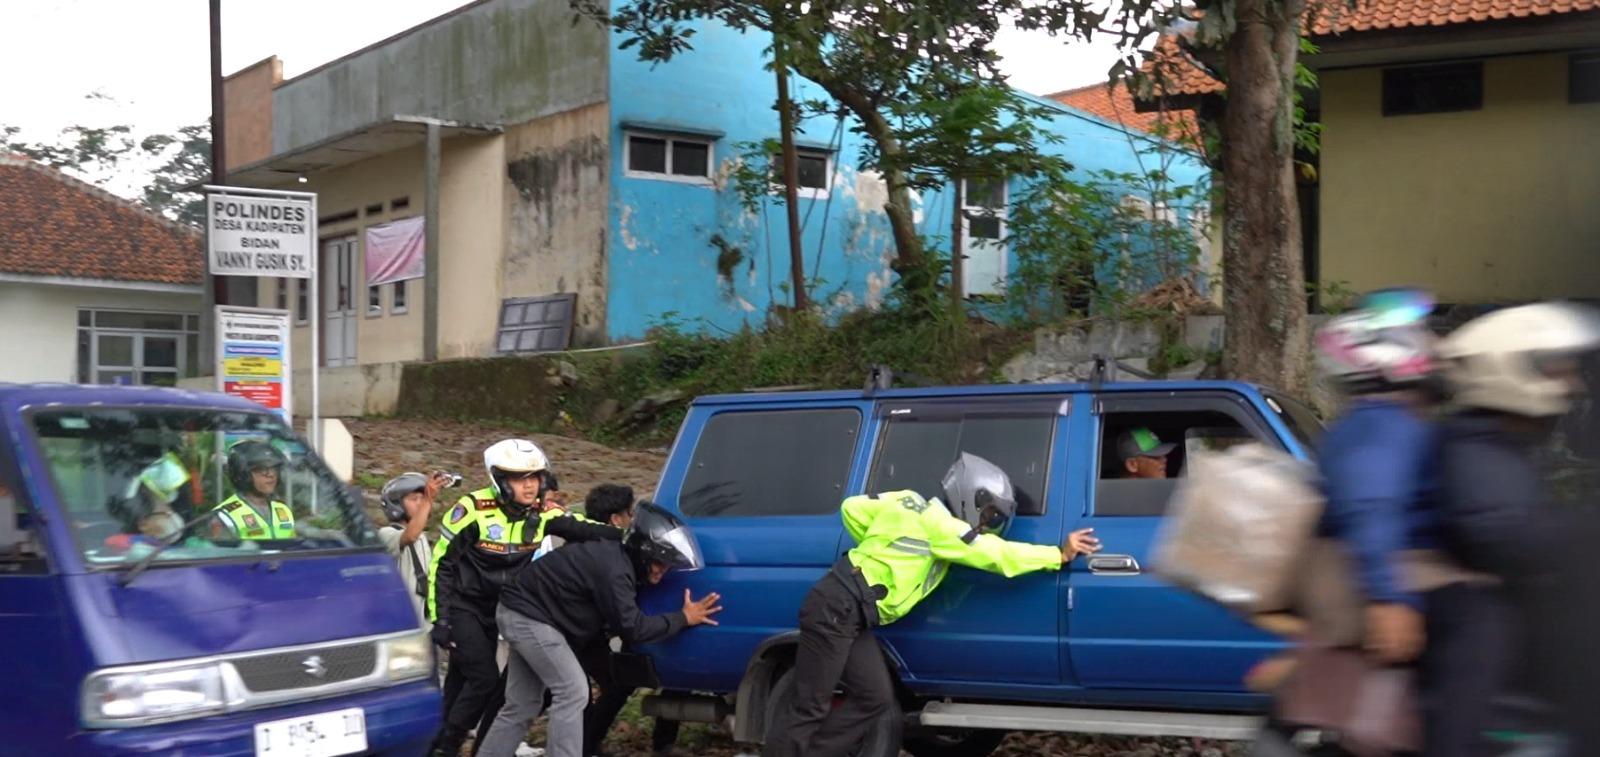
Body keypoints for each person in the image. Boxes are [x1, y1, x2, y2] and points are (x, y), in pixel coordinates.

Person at [764, 453, 1101, 757]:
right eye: (987, 514)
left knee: (876, 699)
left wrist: (875, 546)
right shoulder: (942, 528)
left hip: (852, 613)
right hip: (837, 607)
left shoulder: (908, 501)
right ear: (969, 495)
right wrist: (1058, 554)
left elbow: (851, 508)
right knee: (810, 705)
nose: (986, 524)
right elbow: (996, 555)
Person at [1421, 302, 1600, 757]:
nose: (1571, 383)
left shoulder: (1506, 440)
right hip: (1477, 615)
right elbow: (1500, 531)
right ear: (1509, 369)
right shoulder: (1476, 442)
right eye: (1553, 368)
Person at [475, 502, 723, 757]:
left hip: (520, 611)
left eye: (668, 565)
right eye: (659, 562)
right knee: (572, 692)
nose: (663, 570)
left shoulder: (618, 558)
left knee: (522, 704)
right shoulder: (617, 572)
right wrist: (683, 617)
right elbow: (634, 628)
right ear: (643, 554)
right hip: (530, 618)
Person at [1311, 287, 1441, 665]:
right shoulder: (1379, 426)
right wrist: (1390, 599)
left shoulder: (1372, 423)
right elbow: (1372, 506)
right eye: (1420, 333)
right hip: (1409, 591)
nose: (1433, 343)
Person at [577, 485, 685, 757]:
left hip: (593, 631)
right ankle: (584, 746)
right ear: (616, 519)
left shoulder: (591, 545)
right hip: (580, 633)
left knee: (616, 684)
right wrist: (683, 617)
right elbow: (632, 623)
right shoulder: (614, 556)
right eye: (629, 514)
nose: (633, 520)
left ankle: (587, 744)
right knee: (607, 686)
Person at [378, 471, 456, 624]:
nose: (420, 503)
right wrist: (428, 499)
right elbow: (409, 536)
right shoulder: (386, 534)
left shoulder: (422, 537)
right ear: (397, 505)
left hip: (424, 624)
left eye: (422, 498)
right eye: (414, 499)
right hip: (401, 624)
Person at [211, 440, 294, 540]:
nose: (271, 474)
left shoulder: (283, 510)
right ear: (242, 474)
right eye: (261, 469)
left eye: (274, 468)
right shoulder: (224, 516)